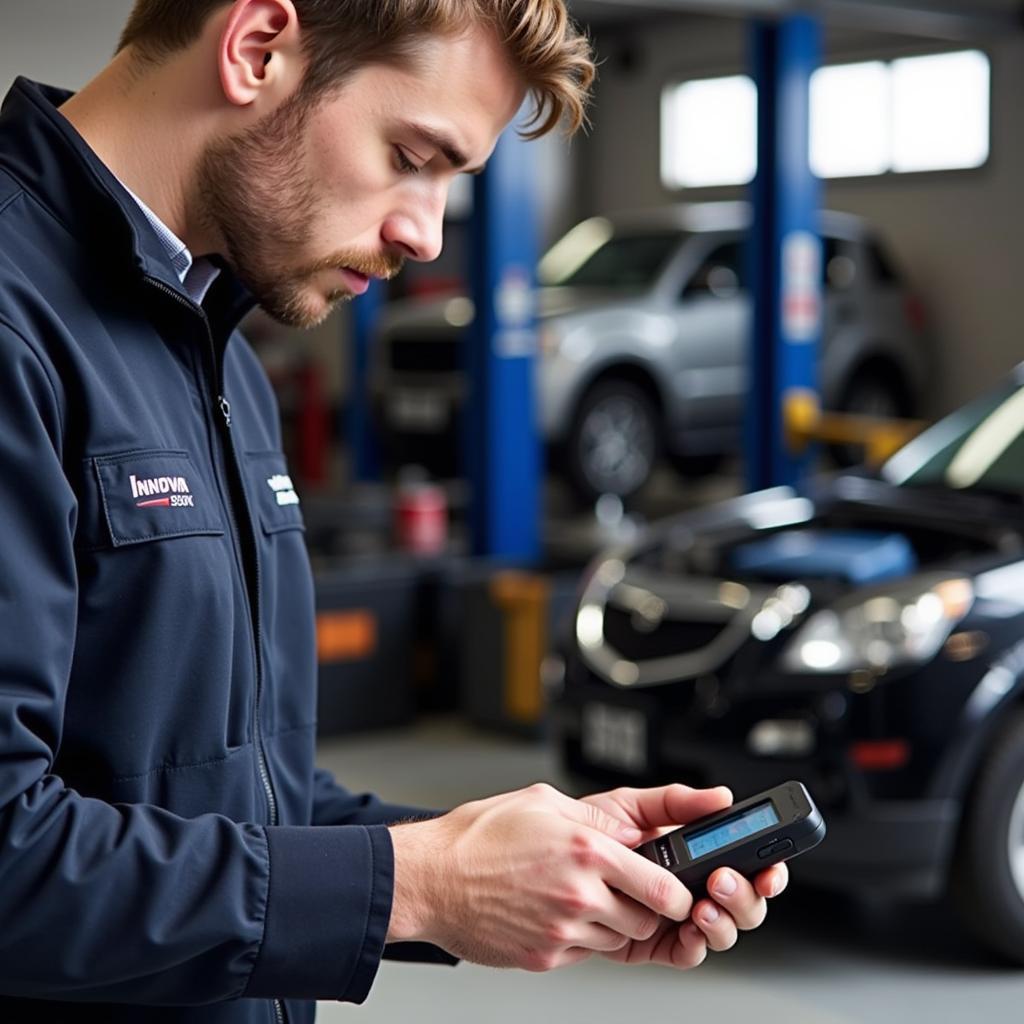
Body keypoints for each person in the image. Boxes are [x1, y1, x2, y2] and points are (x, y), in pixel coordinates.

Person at [0, 1, 789, 1021]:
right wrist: (421, 883)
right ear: (257, 47)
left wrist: (502, 856)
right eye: (413, 155)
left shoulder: (218, 352)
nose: (424, 233)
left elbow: (226, 791)